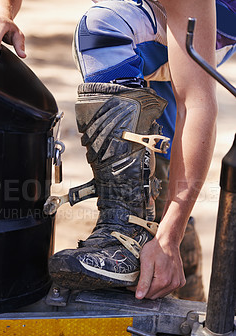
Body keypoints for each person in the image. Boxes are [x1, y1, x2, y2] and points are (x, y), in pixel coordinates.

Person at [49, 0, 236, 301]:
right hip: (161, 12)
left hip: (216, 19)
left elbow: (197, 102)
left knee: (104, 29)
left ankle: (125, 235)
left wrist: (168, 238)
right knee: (155, 154)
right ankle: (189, 299)